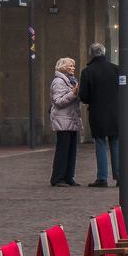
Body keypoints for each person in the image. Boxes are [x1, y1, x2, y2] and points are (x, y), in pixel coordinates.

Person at [77, 42, 119, 188]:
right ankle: (119, 176)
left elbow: (83, 95)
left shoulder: (87, 72)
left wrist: (90, 99)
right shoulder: (115, 69)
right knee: (115, 143)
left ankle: (102, 177)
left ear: (91, 54)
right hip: (115, 112)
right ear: (104, 53)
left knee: (100, 143)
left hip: (97, 112)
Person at [49, 57, 82, 187]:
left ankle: (69, 177)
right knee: (63, 149)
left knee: (71, 149)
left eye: (73, 66)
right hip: (63, 120)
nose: (73, 68)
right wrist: (73, 94)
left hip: (71, 119)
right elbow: (58, 101)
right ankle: (58, 178)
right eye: (70, 66)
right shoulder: (58, 81)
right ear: (63, 67)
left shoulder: (71, 81)